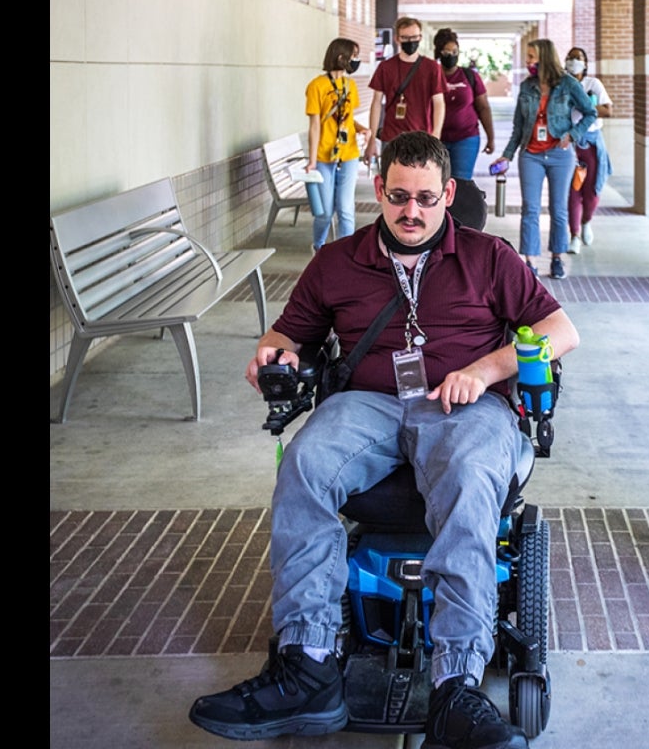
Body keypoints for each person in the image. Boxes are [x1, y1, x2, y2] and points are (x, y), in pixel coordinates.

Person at [189, 131, 580, 749]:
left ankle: (457, 687)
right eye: (398, 196)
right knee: (306, 463)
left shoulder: (489, 257)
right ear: (378, 191)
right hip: (368, 405)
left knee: (471, 477)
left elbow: (561, 331)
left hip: (466, 406)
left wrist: (484, 370)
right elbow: (286, 337)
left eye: (426, 198)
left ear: (448, 194)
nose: (412, 211)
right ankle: (309, 663)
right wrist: (273, 356)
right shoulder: (338, 262)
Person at [498, 39, 596, 280]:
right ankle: (530, 262)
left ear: (545, 58)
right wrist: (507, 155)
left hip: (559, 155)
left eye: (531, 56)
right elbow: (518, 127)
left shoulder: (567, 84)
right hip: (530, 154)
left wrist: (572, 135)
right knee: (530, 208)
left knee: (558, 208)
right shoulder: (526, 87)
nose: (528, 61)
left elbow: (589, 112)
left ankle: (556, 258)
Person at [304, 38, 370, 252]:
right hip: (324, 157)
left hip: (349, 154)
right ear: (341, 58)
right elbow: (314, 125)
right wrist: (312, 161)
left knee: (346, 209)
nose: (356, 61)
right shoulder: (316, 86)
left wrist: (362, 129)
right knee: (323, 212)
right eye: (354, 56)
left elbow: (348, 119)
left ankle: (345, 255)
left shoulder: (350, 86)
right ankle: (319, 247)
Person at [364, 17, 448, 166]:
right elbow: (376, 103)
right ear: (397, 39)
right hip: (392, 137)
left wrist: (436, 135)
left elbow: (439, 103)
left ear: (420, 37)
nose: (410, 41)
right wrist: (371, 139)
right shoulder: (386, 67)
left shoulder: (432, 68)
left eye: (414, 37)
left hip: (423, 137)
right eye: (405, 37)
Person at [563, 47, 613, 254]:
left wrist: (583, 107)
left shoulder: (593, 84)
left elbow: (607, 109)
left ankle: (586, 222)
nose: (574, 61)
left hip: (592, 144)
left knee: (591, 191)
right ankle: (574, 235)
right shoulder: (561, 84)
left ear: (585, 62)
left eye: (578, 58)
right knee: (572, 191)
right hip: (569, 143)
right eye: (570, 58)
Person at [434, 27, 496, 179]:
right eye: (446, 52)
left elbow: (483, 108)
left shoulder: (469, 76)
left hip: (466, 138)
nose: (451, 55)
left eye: (455, 51)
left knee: (461, 183)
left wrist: (491, 138)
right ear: (439, 52)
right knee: (437, 183)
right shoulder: (432, 76)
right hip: (437, 139)